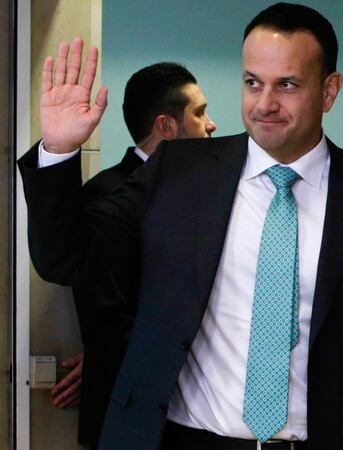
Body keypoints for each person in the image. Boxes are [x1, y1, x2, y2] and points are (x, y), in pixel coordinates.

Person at [19, 3, 343, 450]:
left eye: (287, 85)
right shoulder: (177, 172)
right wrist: (58, 151)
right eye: (252, 82)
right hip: (183, 439)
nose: (265, 104)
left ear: (329, 90)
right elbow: (67, 258)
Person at [50, 62, 216, 449]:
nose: (211, 124)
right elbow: (105, 313)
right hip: (129, 416)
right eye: (200, 112)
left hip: (201, 415)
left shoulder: (208, 194)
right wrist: (108, 358)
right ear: (166, 126)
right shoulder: (107, 195)